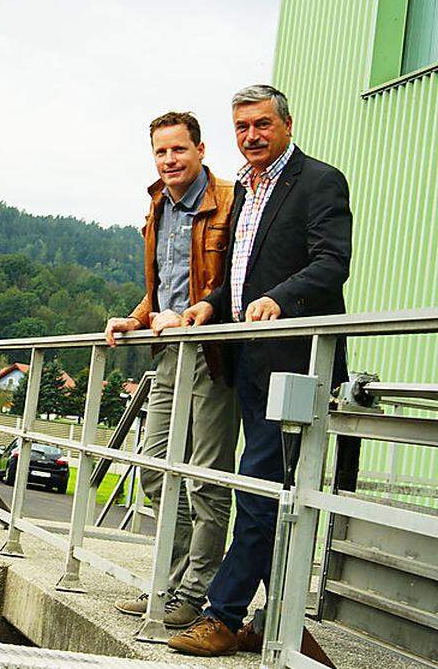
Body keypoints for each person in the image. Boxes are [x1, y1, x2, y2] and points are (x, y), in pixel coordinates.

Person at [168, 85, 349, 665]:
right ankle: (277, 622)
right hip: (249, 360)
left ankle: (221, 617)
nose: (252, 135)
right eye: (242, 126)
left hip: (296, 362)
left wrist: (277, 299)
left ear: (287, 125)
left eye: (262, 124)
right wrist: (210, 304)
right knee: (264, 491)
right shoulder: (247, 189)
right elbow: (241, 276)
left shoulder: (319, 181)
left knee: (259, 487)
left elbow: (331, 263)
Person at [103, 111, 240, 628]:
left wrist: (194, 313)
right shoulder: (158, 204)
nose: (169, 160)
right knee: (156, 470)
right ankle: (170, 585)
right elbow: (164, 286)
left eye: (178, 150)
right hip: (167, 353)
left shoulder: (230, 201)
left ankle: (195, 593)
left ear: (201, 150)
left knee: (205, 480)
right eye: (161, 152)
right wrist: (135, 318)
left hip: (211, 352)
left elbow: (232, 281)